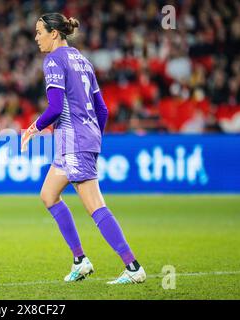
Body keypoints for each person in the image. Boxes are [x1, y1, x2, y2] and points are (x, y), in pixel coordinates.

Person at [21, 13, 146, 284]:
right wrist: (94, 137)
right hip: (78, 139)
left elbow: (55, 108)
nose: (36, 37)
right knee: (48, 195)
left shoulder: (54, 60)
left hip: (73, 141)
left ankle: (133, 267)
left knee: (94, 204)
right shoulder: (82, 59)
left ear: (54, 33)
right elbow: (102, 109)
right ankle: (81, 260)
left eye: (39, 32)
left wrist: (33, 128)